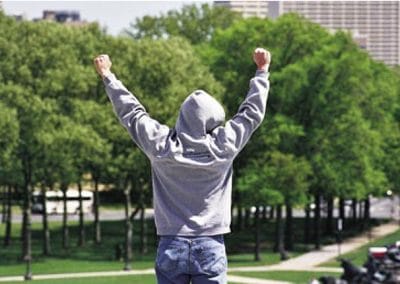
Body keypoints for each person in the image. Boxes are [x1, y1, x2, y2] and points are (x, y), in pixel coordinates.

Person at [94, 47, 271, 284]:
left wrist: (108, 76)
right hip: (210, 243)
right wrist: (261, 71)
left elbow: (132, 114)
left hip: (171, 243)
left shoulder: (162, 146)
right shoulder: (223, 146)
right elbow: (251, 114)